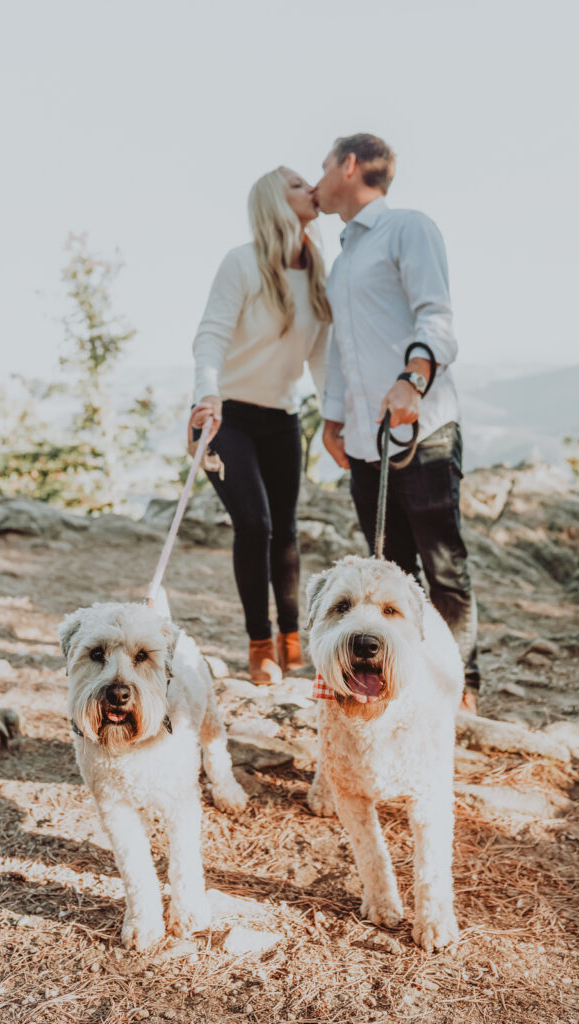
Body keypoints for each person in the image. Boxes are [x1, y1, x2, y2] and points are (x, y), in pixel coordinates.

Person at [313, 133, 480, 712]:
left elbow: (437, 314)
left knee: (442, 567)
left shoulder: (408, 227)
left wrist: (413, 379)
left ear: (350, 165)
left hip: (422, 428)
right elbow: (341, 348)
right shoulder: (344, 258)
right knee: (391, 575)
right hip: (363, 440)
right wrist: (332, 418)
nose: (320, 175)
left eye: (325, 163)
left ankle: (459, 688)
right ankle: (398, 683)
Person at [190, 167, 330, 683]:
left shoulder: (318, 269)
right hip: (227, 414)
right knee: (256, 526)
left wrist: (336, 417)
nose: (311, 187)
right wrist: (204, 396)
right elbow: (209, 336)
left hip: (282, 418)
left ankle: (293, 640)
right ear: (274, 201)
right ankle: (259, 646)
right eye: (297, 184)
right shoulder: (242, 262)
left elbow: (322, 358)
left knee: (285, 532)